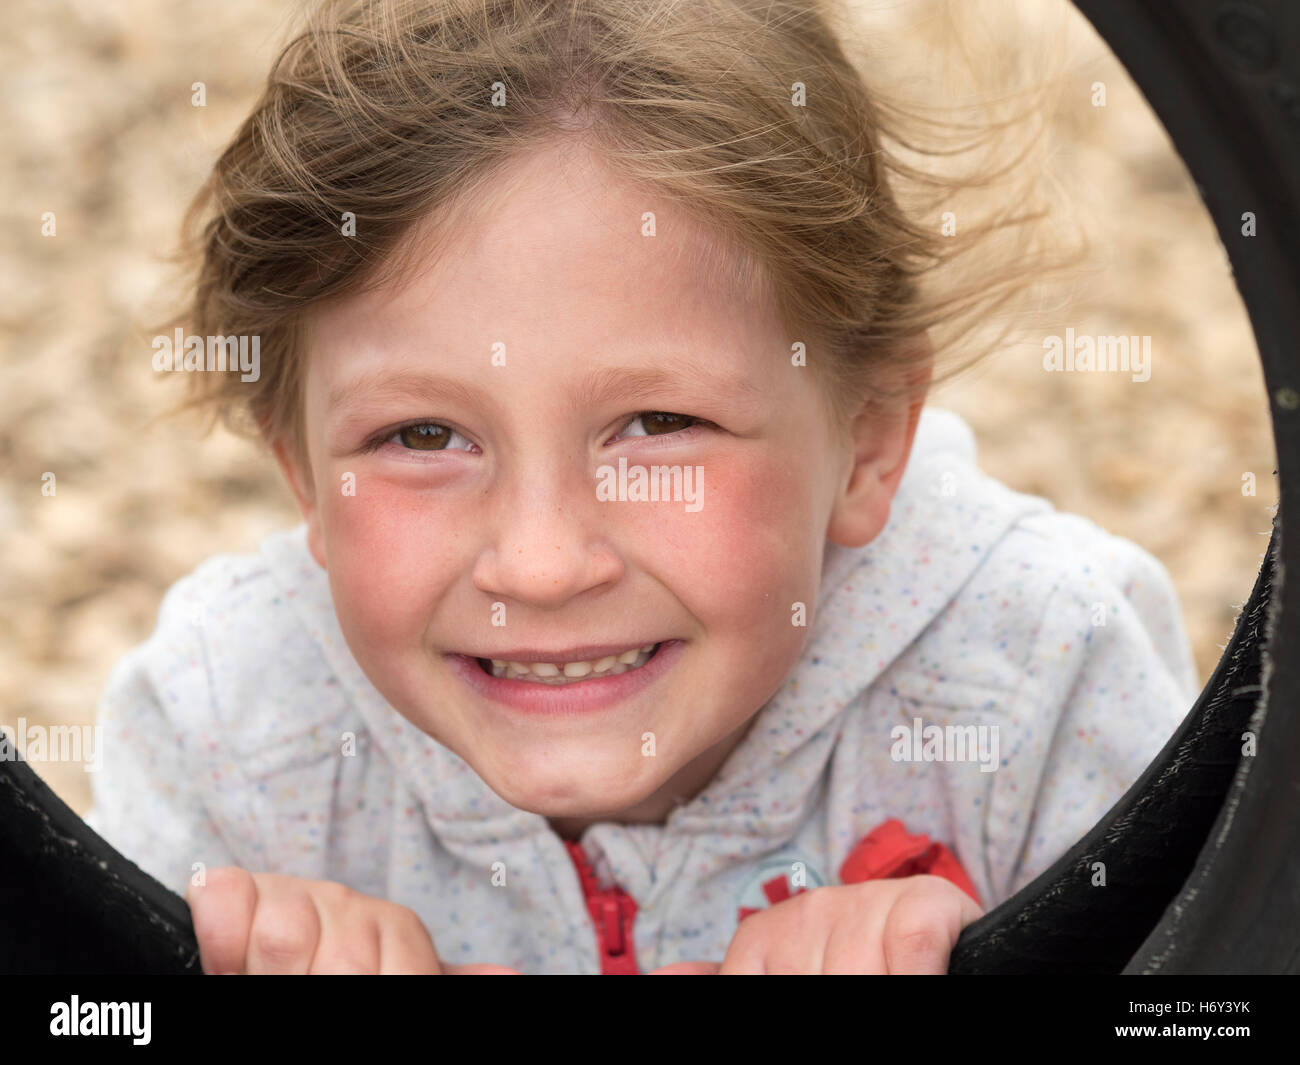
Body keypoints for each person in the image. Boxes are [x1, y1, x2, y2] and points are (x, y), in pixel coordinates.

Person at [85, 0, 1198, 974]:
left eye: (658, 425)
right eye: (421, 434)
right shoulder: (229, 727)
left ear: (864, 440)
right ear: (302, 474)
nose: (541, 561)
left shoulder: (1041, 671)